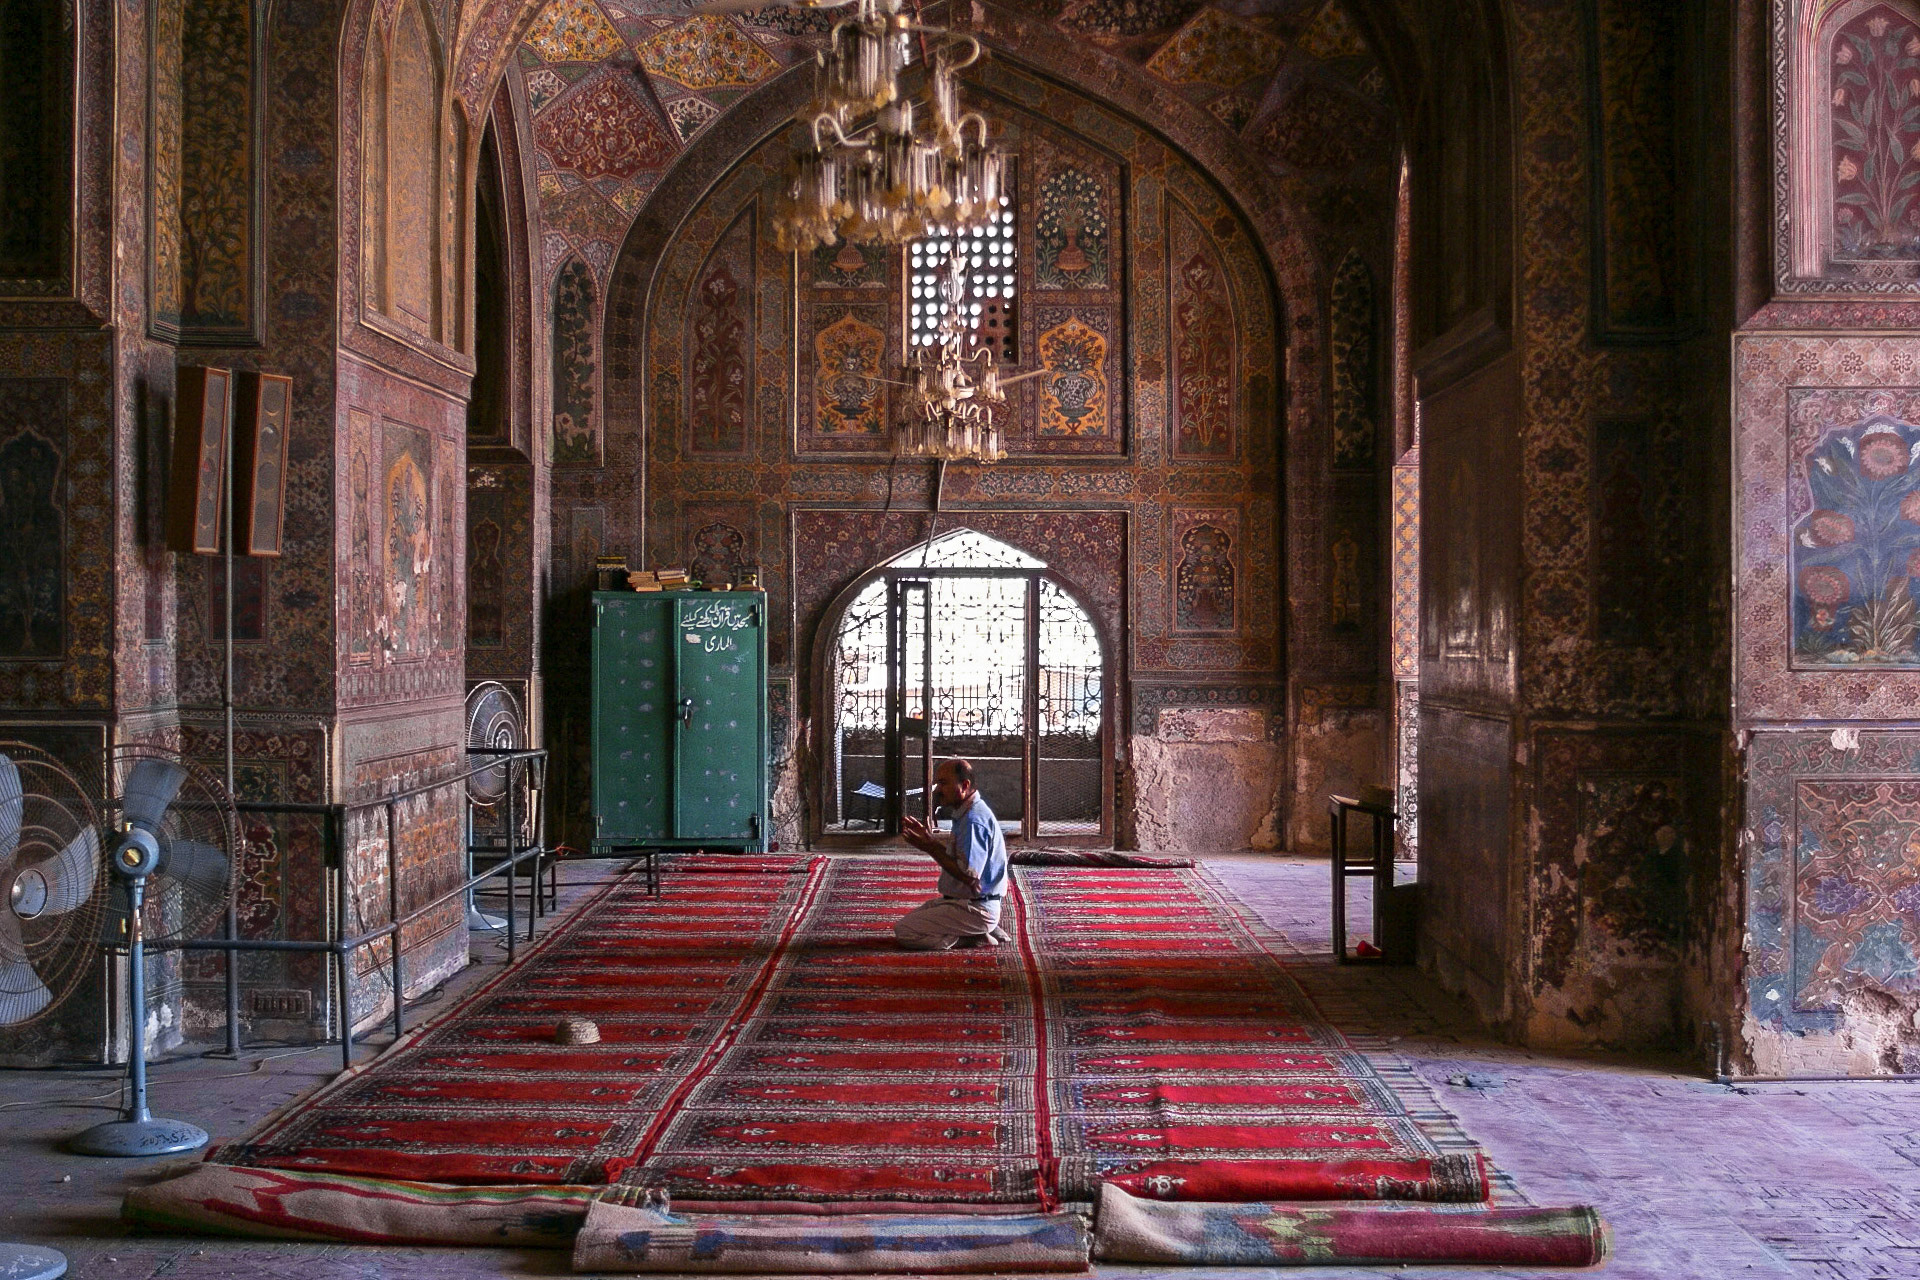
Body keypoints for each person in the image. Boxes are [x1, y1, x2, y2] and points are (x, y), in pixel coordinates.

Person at [893, 758, 1011, 950]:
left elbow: (968, 876)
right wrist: (930, 842)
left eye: (944, 783)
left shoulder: (973, 821)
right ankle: (977, 929)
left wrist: (930, 846)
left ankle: (971, 938)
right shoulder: (966, 813)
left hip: (977, 908)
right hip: (965, 902)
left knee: (905, 930)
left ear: (964, 786)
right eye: (937, 783)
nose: (938, 789)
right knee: (920, 915)